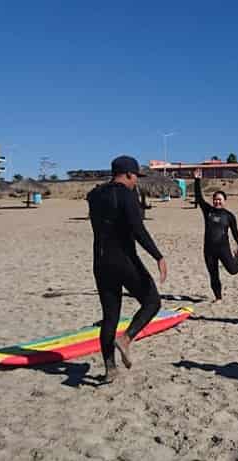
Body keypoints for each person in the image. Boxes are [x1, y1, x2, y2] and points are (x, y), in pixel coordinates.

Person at [86, 155, 168, 383]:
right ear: (129, 174)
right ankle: (126, 339)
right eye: (135, 177)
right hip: (123, 259)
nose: (136, 182)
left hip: (100, 261)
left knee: (110, 316)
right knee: (153, 302)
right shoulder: (126, 194)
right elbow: (137, 229)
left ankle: (109, 368)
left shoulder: (94, 196)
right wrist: (158, 256)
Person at [194, 169, 238, 302]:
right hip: (209, 249)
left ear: (225, 201)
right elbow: (199, 197)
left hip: (223, 248)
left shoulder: (229, 216)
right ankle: (218, 297)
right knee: (213, 274)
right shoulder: (208, 211)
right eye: (215, 200)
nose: (217, 202)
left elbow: (235, 232)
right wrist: (197, 180)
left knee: (233, 270)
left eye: (220, 200)